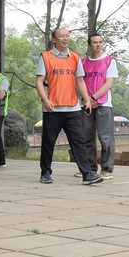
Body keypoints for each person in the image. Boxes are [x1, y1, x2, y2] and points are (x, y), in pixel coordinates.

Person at [36, 27, 104, 186]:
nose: (65, 38)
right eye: (61, 36)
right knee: (48, 143)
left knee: (79, 142)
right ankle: (45, 172)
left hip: (73, 108)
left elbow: (80, 80)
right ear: (54, 39)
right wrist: (45, 100)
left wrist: (87, 100)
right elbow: (39, 81)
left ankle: (87, 173)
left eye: (67, 36)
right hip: (52, 108)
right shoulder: (45, 56)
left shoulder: (75, 57)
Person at [79, 33, 117, 179]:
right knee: (87, 137)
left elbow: (109, 83)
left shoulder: (109, 61)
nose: (98, 45)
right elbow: (79, 82)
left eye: (101, 42)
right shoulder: (83, 62)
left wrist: (93, 98)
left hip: (104, 104)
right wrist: (87, 99)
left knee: (105, 137)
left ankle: (107, 169)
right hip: (86, 104)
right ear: (89, 45)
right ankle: (89, 169)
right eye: (95, 42)